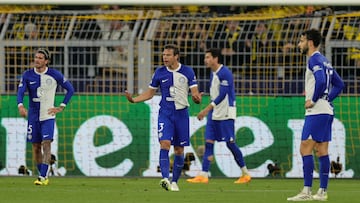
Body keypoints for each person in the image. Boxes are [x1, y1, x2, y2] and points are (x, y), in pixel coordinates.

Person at [125, 44, 202, 192]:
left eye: (168, 55)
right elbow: (149, 93)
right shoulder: (159, 72)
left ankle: (174, 181)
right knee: (165, 144)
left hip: (182, 115)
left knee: (179, 150)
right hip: (165, 114)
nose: (164, 57)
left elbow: (195, 94)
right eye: (163, 55)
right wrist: (134, 100)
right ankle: (165, 179)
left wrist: (197, 99)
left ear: (176, 56)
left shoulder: (188, 72)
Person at [287, 29, 344, 201]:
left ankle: (306, 191)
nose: (299, 44)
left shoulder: (314, 59)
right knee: (322, 150)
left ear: (310, 42)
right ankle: (322, 192)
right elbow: (340, 84)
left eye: (301, 40)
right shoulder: (325, 61)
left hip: (317, 111)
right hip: (326, 110)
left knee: (305, 147)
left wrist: (313, 99)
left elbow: (320, 81)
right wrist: (327, 99)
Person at [186, 48, 251, 184]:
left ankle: (245, 173)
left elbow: (223, 95)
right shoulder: (213, 73)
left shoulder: (225, 73)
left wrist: (206, 109)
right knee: (209, 142)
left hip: (226, 113)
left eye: (208, 57)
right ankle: (203, 175)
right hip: (214, 112)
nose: (206, 60)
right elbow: (216, 94)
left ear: (216, 59)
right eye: (205, 57)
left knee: (230, 144)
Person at [17, 48, 75, 186]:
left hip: (48, 116)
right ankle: (42, 174)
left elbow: (70, 89)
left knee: (46, 143)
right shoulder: (27, 75)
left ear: (46, 61)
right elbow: (20, 91)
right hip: (33, 116)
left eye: (40, 58)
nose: (37, 60)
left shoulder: (54, 74)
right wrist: (20, 105)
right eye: (36, 57)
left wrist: (61, 106)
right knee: (36, 146)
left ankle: (43, 177)